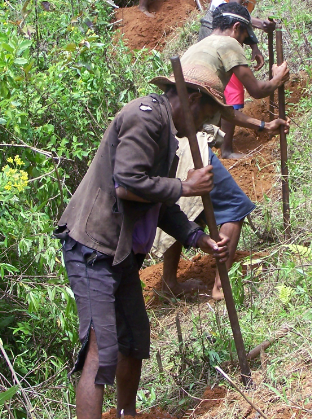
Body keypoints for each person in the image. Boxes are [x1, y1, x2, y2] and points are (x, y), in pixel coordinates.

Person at [54, 65, 232, 419]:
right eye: (204, 117)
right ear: (191, 99)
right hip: (93, 248)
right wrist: (185, 186)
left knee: (133, 341)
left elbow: (159, 203)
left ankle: (127, 414)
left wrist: (198, 238)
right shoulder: (145, 117)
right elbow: (127, 184)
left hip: (120, 255)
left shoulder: (168, 136)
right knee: (101, 348)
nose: (200, 128)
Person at [158, 2, 290, 299]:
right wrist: (277, 79)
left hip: (170, 139)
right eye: (245, 38)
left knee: (180, 210)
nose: (242, 44)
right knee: (234, 207)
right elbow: (256, 90)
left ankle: (169, 281)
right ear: (237, 28)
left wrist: (261, 125)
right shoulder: (229, 43)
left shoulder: (200, 47)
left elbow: (222, 110)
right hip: (191, 141)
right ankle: (221, 288)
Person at [199, 0, 293, 156]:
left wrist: (253, 45)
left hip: (228, 30)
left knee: (225, 88)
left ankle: (217, 142)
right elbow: (233, 9)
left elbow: (240, 16)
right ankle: (226, 148)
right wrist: (259, 25)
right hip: (219, 28)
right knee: (228, 89)